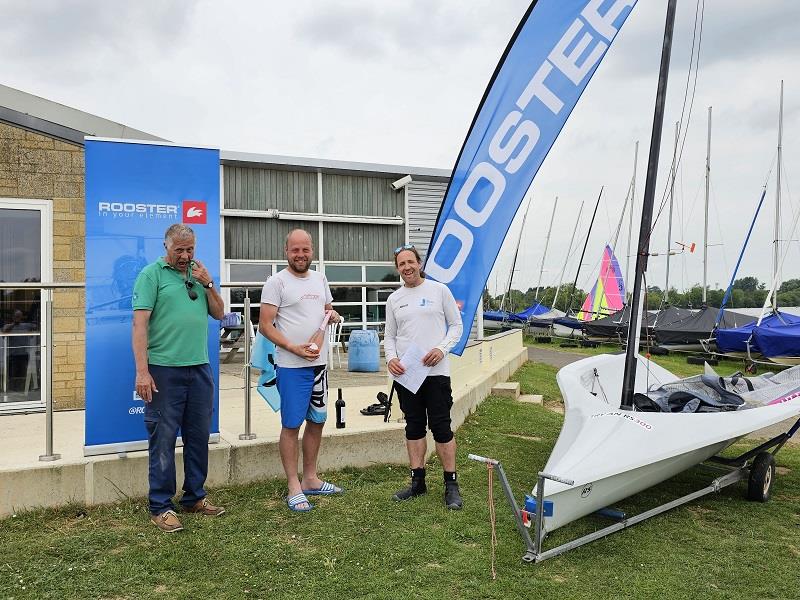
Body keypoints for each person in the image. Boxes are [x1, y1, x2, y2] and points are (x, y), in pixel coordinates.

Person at [132, 224, 226, 533]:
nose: (185, 256)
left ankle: (194, 497)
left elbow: (219, 313)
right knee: (163, 439)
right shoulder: (151, 275)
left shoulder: (198, 275)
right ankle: (160, 506)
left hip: (199, 368)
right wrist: (143, 371)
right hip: (163, 370)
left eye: (190, 250)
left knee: (198, 436)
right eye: (179, 250)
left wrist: (209, 283)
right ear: (166, 247)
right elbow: (139, 326)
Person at [259, 229, 342, 512]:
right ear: (286, 251)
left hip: (319, 366)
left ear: (312, 251)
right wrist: (293, 348)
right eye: (295, 250)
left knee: (317, 421)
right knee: (291, 425)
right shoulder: (276, 282)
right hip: (292, 366)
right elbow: (265, 325)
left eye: (305, 250)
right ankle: (293, 486)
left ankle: (311, 479)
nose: (300, 255)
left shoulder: (320, 278)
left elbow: (327, 310)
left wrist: (334, 315)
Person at [384, 244, 464, 509]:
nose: (407, 267)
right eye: (401, 264)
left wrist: (441, 349)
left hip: (436, 373)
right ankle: (417, 482)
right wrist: (391, 358)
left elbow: (456, 326)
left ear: (419, 263)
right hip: (408, 374)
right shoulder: (394, 299)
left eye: (410, 262)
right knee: (414, 427)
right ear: (398, 269)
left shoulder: (439, 290)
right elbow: (390, 336)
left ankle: (451, 485)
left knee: (441, 427)